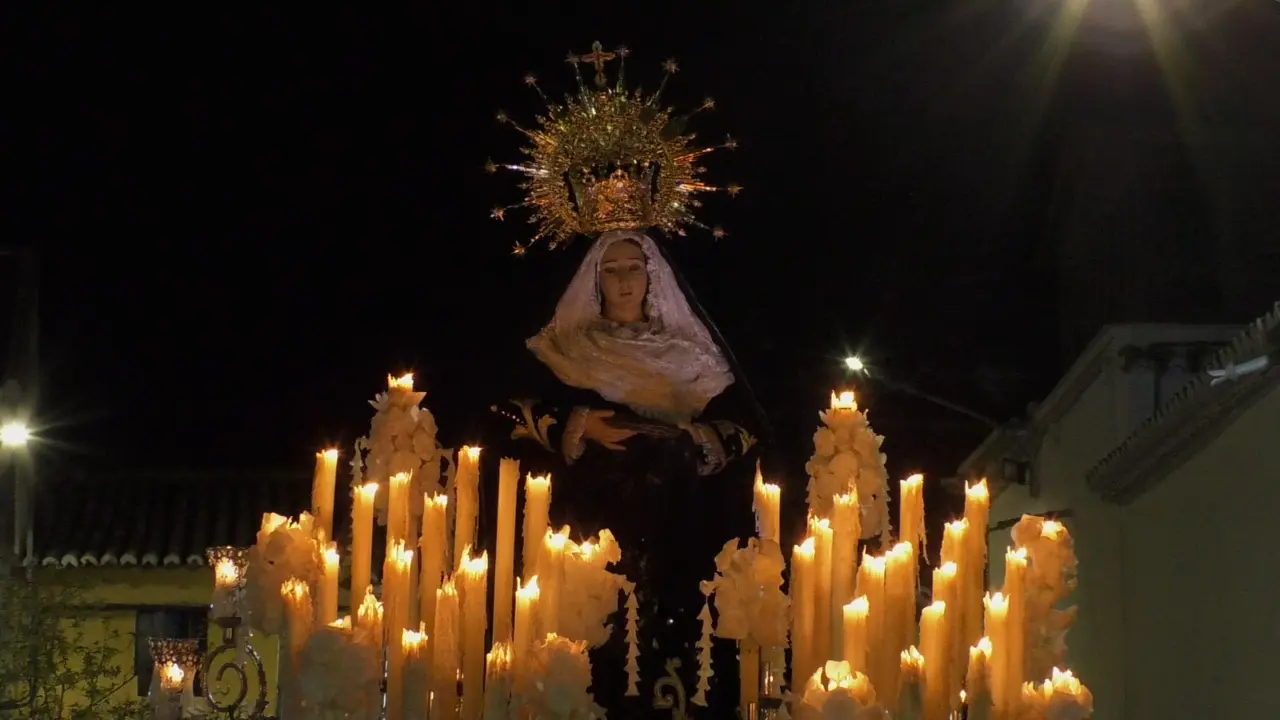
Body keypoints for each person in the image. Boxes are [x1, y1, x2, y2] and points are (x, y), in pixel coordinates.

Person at [488, 229, 775, 716]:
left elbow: (750, 426)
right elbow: (506, 413)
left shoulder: (695, 355)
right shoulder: (564, 349)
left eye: (634, 267)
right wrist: (578, 425)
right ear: (595, 279)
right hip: (593, 530)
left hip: (682, 534)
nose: (624, 280)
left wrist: (700, 439)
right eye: (612, 269)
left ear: (653, 275)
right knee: (601, 656)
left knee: (679, 658)